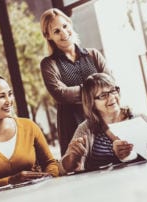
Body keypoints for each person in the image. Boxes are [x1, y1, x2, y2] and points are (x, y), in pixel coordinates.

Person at [40, 8, 112, 156]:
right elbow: (61, 94)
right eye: (56, 31)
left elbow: (109, 85)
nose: (64, 33)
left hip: (103, 121)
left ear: (70, 24)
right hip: (72, 125)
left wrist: (78, 91)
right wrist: (96, 91)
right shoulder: (49, 64)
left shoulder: (93, 55)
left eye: (65, 26)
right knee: (79, 170)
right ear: (48, 36)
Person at [59, 73, 147, 174]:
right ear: (91, 103)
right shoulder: (86, 128)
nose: (112, 97)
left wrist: (130, 155)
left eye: (113, 91)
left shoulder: (140, 118)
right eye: (103, 95)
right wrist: (71, 159)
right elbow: (61, 170)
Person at [0, 74, 59, 188]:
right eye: (1, 96)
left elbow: (50, 163)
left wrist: (47, 178)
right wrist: (10, 181)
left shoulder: (29, 127)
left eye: (10, 94)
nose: (9, 101)